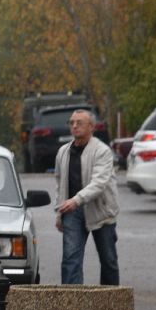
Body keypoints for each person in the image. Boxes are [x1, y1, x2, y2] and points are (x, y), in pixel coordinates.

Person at [54, 108, 120, 285]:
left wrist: (76, 200)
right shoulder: (63, 152)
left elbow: (99, 183)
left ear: (92, 127)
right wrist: (59, 212)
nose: (74, 126)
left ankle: (110, 304)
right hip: (72, 212)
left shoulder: (102, 151)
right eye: (71, 123)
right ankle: (72, 304)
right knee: (70, 259)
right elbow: (59, 183)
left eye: (79, 123)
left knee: (108, 260)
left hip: (101, 211)